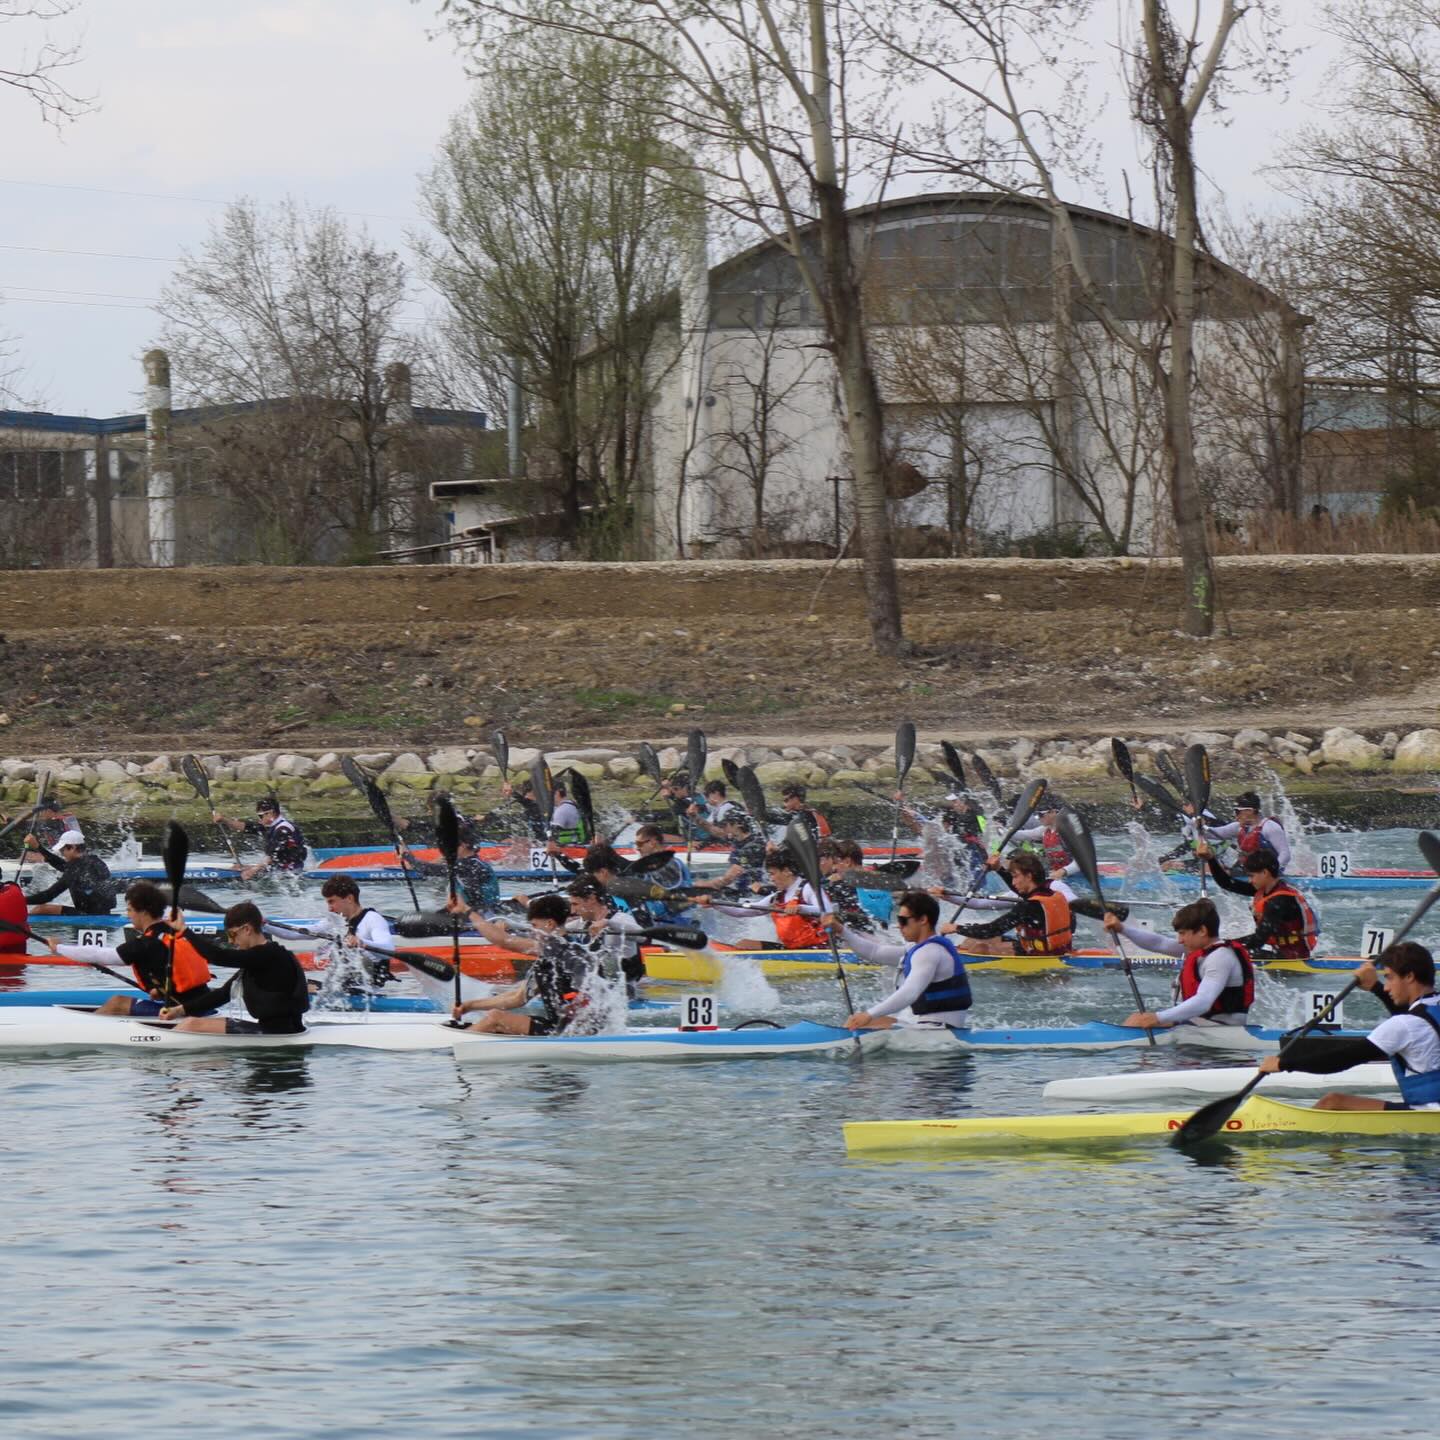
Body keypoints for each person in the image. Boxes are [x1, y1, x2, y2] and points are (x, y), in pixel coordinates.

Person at [1255, 942, 1440, 1110]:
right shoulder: (1430, 1009)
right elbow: (1415, 1021)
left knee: (1331, 1103)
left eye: (1389, 978)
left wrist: (1283, 1063)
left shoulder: (1404, 1025)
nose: (1386, 987)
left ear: (1409, 976)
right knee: (1334, 1101)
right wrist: (1374, 987)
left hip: (1428, 1112)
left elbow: (1341, 1060)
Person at [42, 879, 215, 1017]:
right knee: (140, 998)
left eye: (130, 910)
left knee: (117, 1003)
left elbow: (99, 954)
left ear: (144, 912)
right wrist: (159, 991)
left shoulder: (146, 943)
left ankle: (83, 1031)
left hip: (183, 1012)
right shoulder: (175, 932)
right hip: (205, 1005)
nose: (128, 915)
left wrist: (59, 948)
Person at [450, 893, 600, 1036]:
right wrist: (470, 1006)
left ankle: (454, 1047)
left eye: (534, 925)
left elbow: (503, 941)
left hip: (575, 1033)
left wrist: (466, 910)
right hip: (559, 1027)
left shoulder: (563, 950)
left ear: (549, 924)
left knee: (496, 1019)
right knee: (495, 1016)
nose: (532, 932)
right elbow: (518, 997)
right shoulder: (549, 957)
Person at [826, 891, 972, 1030]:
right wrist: (841, 930)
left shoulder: (929, 952)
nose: (899, 926)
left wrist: (869, 1014)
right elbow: (874, 952)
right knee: (863, 1022)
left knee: (860, 1024)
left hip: (940, 1031)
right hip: (929, 1026)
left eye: (903, 920)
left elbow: (910, 992)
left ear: (923, 920)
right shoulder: (918, 949)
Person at [160, 902, 311, 1035]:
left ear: (247, 929)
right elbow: (223, 994)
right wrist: (179, 1010)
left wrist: (184, 930)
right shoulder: (259, 959)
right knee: (190, 1022)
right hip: (277, 1029)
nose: (231, 941)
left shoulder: (268, 955)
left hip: (279, 1033)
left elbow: (218, 956)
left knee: (191, 1025)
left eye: (232, 934)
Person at [1103, 898, 1253, 1029]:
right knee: (1135, 1020)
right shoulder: (1200, 949)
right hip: (1201, 1024)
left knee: (1138, 1023)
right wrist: (1122, 929)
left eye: (1182, 933)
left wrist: (1157, 1018)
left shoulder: (1220, 957)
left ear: (1202, 931)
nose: (1179, 940)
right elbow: (1158, 943)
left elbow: (1204, 1001)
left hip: (1221, 1029)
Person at [1197, 842, 1319, 959]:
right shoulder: (1266, 889)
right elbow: (1227, 883)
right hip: (1282, 953)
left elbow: (1259, 940)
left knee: (1224, 953)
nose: (1250, 880)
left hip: (1293, 957)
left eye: (1251, 876)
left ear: (1265, 873)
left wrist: (1222, 945)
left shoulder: (1279, 901)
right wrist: (1211, 859)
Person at [940, 851, 1075, 956]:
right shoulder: (1049, 892)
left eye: (1015, 876)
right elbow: (1019, 890)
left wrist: (956, 928)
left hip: (1040, 955)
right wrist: (998, 869)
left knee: (979, 948)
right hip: (1051, 949)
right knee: (970, 941)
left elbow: (991, 930)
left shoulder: (1029, 906)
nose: (1013, 882)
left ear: (1029, 876)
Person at [565, 875, 649, 996]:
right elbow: (557, 931)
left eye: (575, 904)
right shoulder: (580, 924)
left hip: (624, 991)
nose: (572, 911)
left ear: (591, 899)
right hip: (596, 991)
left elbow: (642, 937)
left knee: (608, 959)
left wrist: (608, 923)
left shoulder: (620, 918)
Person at [319, 875, 397, 988]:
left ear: (349, 898)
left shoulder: (372, 918)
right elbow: (307, 931)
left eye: (332, 901)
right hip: (345, 985)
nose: (329, 908)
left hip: (370, 988)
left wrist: (361, 942)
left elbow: (388, 949)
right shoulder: (337, 921)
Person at [401, 823, 501, 911]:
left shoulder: (469, 865)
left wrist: (407, 856)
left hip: (485, 913)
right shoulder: (469, 862)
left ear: (463, 845)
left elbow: (428, 869)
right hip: (478, 909)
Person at [25, 829, 118, 916]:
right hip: (105, 912)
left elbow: (47, 896)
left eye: (62, 850)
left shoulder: (74, 870)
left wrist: (21, 900)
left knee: (40, 909)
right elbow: (64, 866)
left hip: (88, 915)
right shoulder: (96, 861)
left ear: (72, 848)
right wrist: (38, 847)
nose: (62, 853)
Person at [212, 796, 308, 880]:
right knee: (238, 867)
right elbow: (245, 827)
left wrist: (253, 870)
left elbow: (273, 856)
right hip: (278, 868)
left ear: (270, 813)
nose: (259, 819)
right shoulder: (272, 825)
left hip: (291, 872)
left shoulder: (283, 829)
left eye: (260, 816)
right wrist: (224, 820)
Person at [1207, 791, 1290, 871]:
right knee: (1222, 869)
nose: (1236, 816)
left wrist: (1272, 872)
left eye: (1238, 811)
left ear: (1250, 811)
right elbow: (1213, 833)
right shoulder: (1237, 827)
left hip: (1269, 873)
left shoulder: (1270, 827)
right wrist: (1199, 825)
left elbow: (1285, 854)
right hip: (1251, 871)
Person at [689, 812, 769, 895]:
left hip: (754, 892)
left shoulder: (753, 847)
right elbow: (714, 831)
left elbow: (729, 877)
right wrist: (695, 817)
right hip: (741, 885)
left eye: (725, 825)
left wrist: (706, 884)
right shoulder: (737, 838)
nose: (723, 828)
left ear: (737, 825)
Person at [817, 838, 877, 933]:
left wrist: (828, 882)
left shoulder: (840, 885)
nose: (834, 868)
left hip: (860, 934)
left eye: (836, 863)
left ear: (847, 862)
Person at [1011, 803, 1078, 880]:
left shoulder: (1068, 831)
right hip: (1061, 875)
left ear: (1053, 812)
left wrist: (1064, 871)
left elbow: (1083, 859)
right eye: (1036, 815)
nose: (1038, 818)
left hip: (1079, 875)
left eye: (1040, 815)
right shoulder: (1044, 830)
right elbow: (1022, 835)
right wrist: (1004, 831)